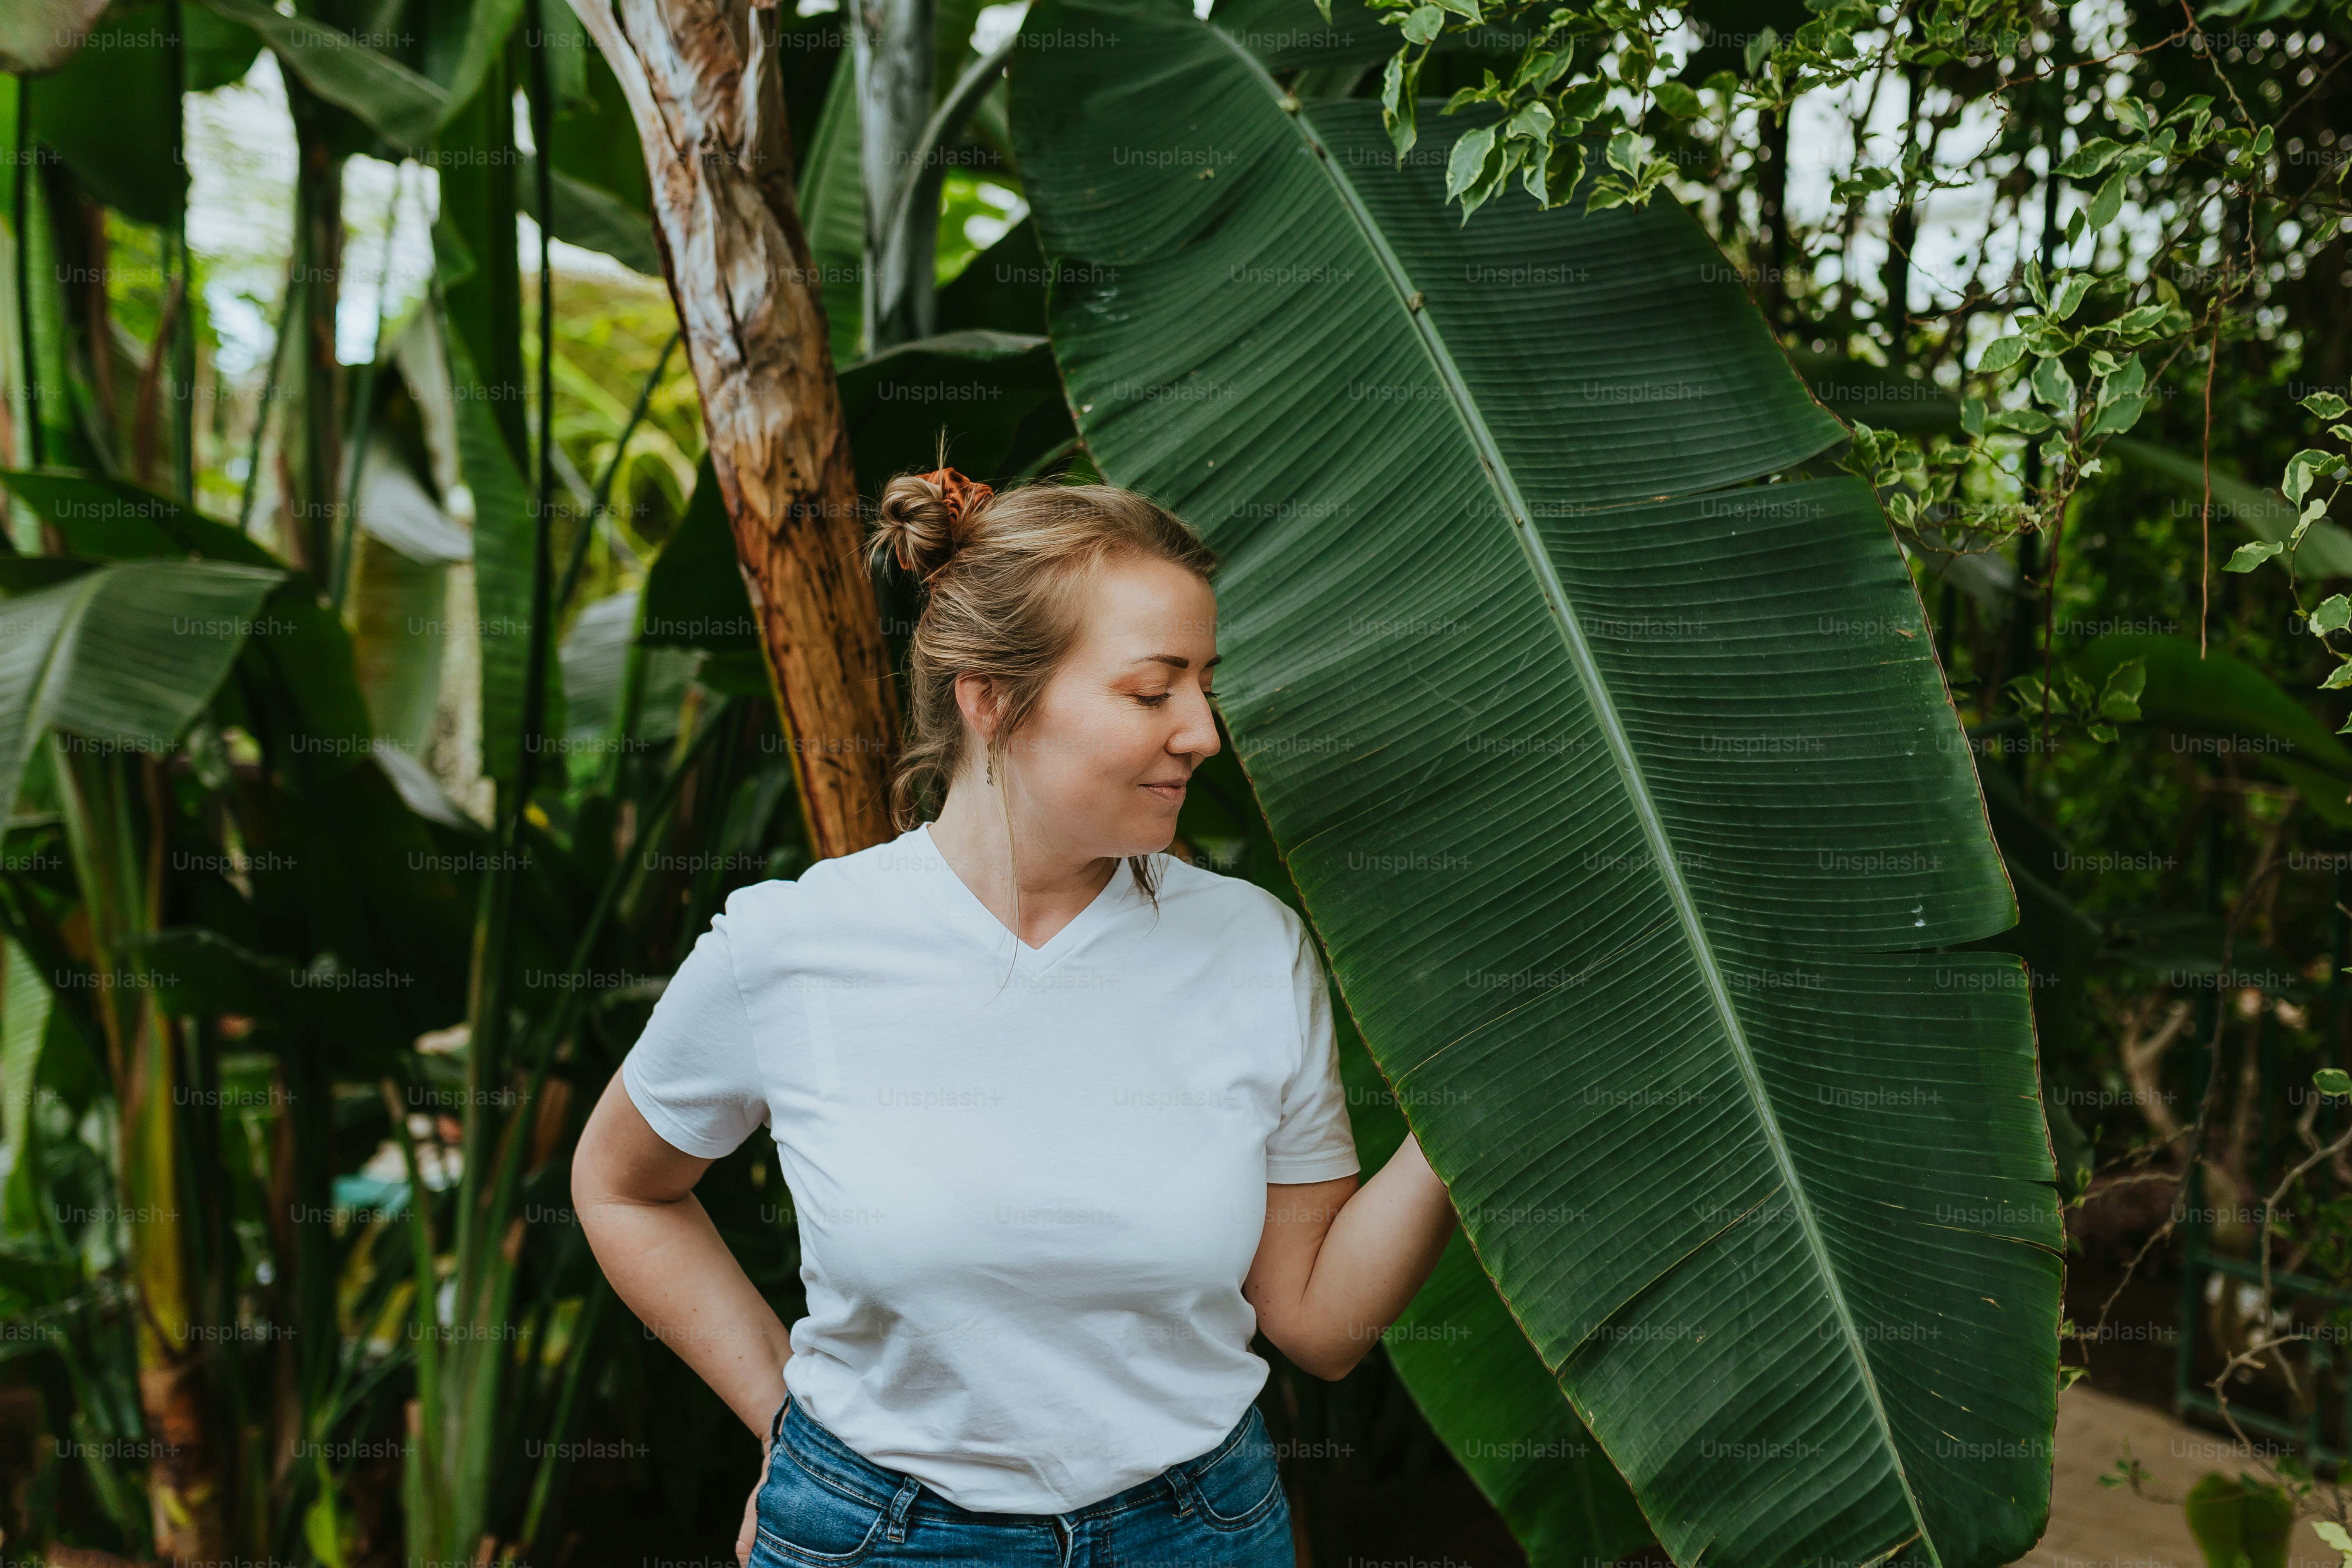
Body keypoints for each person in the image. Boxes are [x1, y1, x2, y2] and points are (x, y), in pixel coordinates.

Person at [571, 466, 1461, 1567]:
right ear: (989, 697)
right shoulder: (790, 947)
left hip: (1197, 1535)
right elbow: (619, 1185)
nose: (1205, 732)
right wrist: (782, 1423)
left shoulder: (1252, 946)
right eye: (1155, 690)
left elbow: (1318, 1325)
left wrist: (1468, 1118)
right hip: (876, 1541)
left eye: (1206, 684)